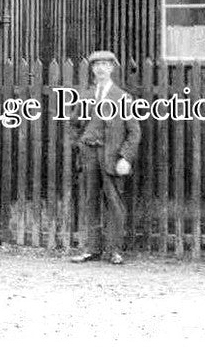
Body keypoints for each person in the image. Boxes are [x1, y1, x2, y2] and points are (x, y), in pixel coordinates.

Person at [70, 50, 141, 266]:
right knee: (90, 201)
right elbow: (74, 124)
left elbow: (134, 132)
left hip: (111, 157)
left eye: (105, 65)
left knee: (114, 202)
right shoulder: (85, 96)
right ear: (92, 69)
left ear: (112, 68)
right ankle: (91, 248)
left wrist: (125, 158)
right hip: (89, 155)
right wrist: (80, 144)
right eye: (96, 65)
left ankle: (114, 250)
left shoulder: (122, 97)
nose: (100, 68)